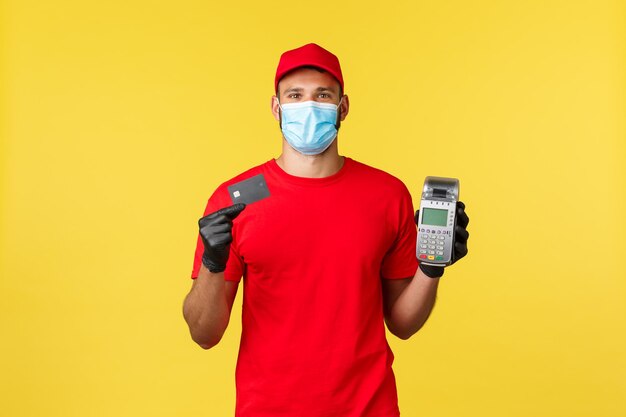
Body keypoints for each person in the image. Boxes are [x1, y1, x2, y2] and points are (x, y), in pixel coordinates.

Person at [182, 43, 469, 417]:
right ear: (276, 107)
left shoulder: (386, 194)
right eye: (295, 96)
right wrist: (212, 263)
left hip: (369, 408)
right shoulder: (236, 200)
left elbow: (403, 324)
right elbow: (204, 334)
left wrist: (431, 270)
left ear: (343, 107)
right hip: (267, 409)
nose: (309, 106)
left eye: (322, 95)